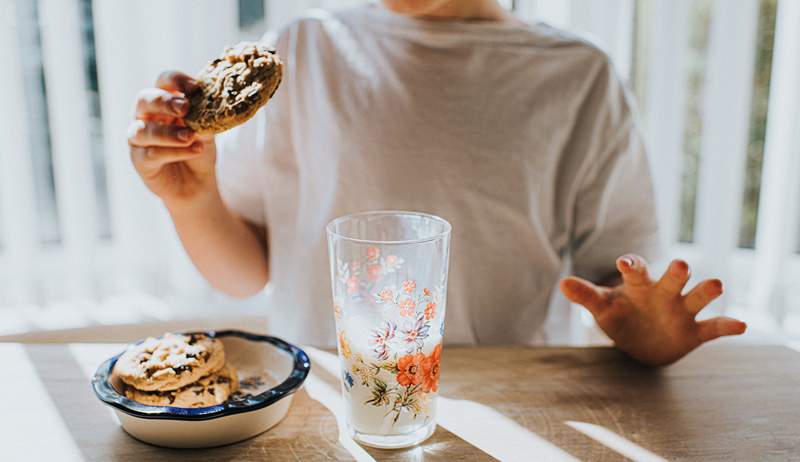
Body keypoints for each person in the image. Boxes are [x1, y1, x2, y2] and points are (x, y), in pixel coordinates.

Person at [127, 0, 746, 366]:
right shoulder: (305, 49)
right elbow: (244, 272)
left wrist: (644, 334)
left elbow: (619, 280)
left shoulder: (578, 79)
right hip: (326, 393)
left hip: (510, 400)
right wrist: (193, 199)